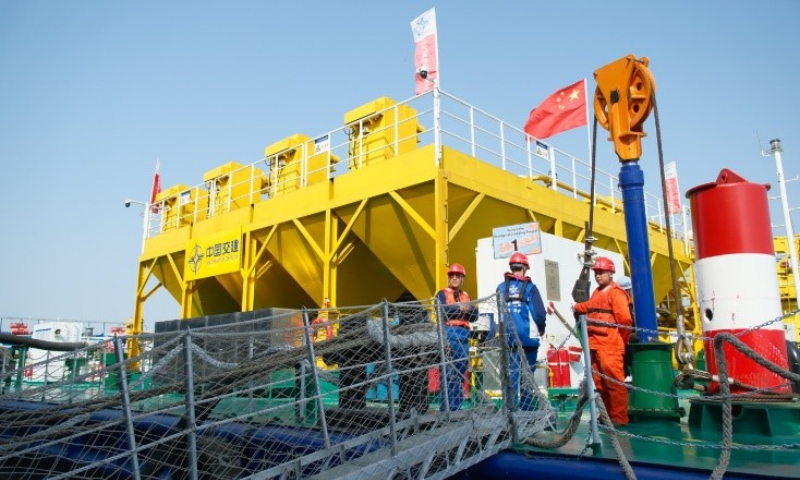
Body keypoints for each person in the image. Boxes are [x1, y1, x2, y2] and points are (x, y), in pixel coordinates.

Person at [573, 256, 633, 426]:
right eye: (596, 272)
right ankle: (606, 415)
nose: (598, 275)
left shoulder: (616, 293)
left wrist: (620, 339)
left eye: (601, 272)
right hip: (595, 344)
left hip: (610, 346)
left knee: (614, 383)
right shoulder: (598, 292)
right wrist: (576, 307)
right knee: (600, 383)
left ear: (610, 273)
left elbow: (626, 321)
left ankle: (619, 418)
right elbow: (590, 306)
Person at [496, 252, 547, 411]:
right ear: (525, 268)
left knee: (510, 377)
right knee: (526, 378)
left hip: (508, 340)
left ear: (511, 267)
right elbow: (539, 313)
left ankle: (510, 414)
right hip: (528, 340)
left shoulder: (501, 287)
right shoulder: (530, 288)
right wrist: (542, 328)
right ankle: (526, 413)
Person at [434, 263, 477, 411]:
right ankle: (446, 409)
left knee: (460, 372)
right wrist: (460, 308)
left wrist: (468, 308)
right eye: (452, 276)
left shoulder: (466, 296)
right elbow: (441, 310)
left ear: (462, 278)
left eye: (457, 276)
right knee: (448, 373)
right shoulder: (442, 294)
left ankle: (456, 408)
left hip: (464, 336)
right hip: (448, 334)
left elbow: (475, 315)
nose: (454, 278)